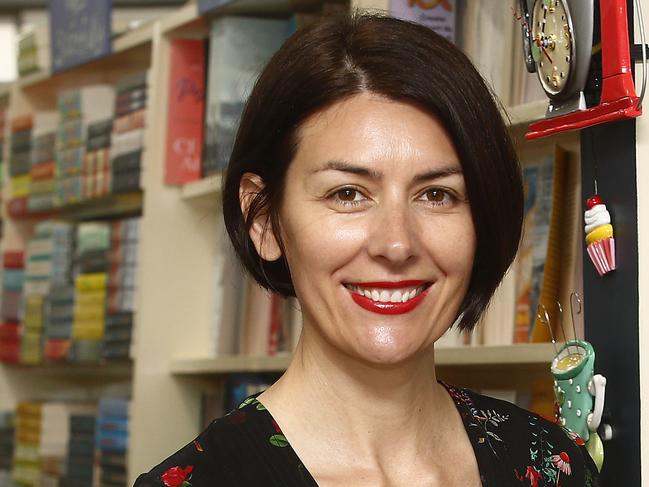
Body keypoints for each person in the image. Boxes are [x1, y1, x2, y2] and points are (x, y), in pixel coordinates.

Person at [134, 12, 599, 487]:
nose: (396, 244)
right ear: (265, 220)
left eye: (436, 195)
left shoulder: (551, 465)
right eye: (348, 194)